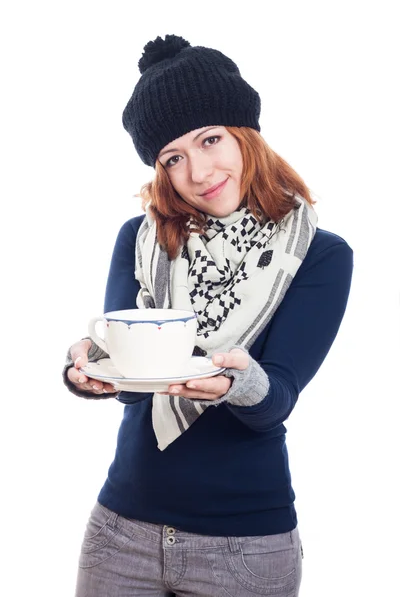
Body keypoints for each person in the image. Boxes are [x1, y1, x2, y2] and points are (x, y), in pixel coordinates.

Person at [63, 34, 353, 597]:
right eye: (173, 158)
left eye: (210, 139)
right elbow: (130, 386)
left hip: (243, 548)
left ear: (245, 133)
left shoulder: (318, 255)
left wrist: (236, 383)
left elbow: (276, 403)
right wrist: (87, 371)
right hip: (121, 532)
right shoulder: (142, 239)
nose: (197, 172)